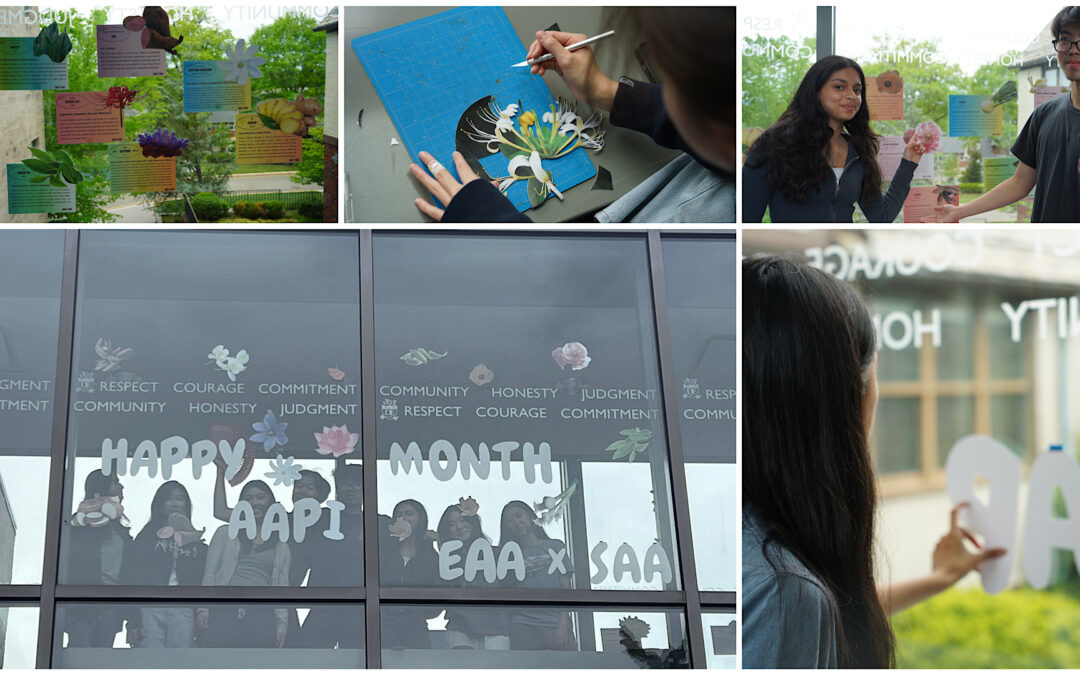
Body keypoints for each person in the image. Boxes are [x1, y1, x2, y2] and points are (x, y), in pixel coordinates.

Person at [740, 256, 1007, 668]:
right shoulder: (781, 589)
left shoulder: (736, 533)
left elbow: (829, 618)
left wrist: (938, 578)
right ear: (851, 399)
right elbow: (795, 613)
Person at [406, 7, 735, 223]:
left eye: (671, 81)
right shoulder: (746, 147)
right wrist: (602, 90)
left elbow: (577, 291)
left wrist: (492, 224)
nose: (661, 89)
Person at [925, 6, 1080, 223]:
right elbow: (1020, 183)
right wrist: (959, 211)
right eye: (1066, 40)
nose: (1074, 49)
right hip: (1046, 247)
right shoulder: (1043, 115)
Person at [742, 55, 925, 223]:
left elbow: (881, 217)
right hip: (791, 256)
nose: (852, 96)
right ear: (816, 92)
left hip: (842, 256)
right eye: (839, 87)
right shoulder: (774, 144)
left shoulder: (858, 151)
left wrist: (908, 164)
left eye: (857, 90)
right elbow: (747, 220)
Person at [198, 480, 291, 648]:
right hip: (224, 608)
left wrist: (282, 622)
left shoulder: (281, 544)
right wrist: (203, 608)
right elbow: (210, 573)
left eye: (260, 497)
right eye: (248, 498)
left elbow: (282, 586)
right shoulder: (225, 533)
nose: (254, 502)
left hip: (261, 613)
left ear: (271, 502)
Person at [124, 481, 208, 648]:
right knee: (151, 660)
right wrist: (132, 621)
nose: (175, 503)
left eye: (180, 499)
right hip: (151, 605)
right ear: (160, 503)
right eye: (169, 499)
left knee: (178, 662)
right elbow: (133, 576)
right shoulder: (147, 536)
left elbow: (202, 578)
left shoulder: (194, 539)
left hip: (183, 607)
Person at [295, 465, 364, 648]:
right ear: (338, 488)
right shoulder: (321, 517)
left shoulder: (377, 522)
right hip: (323, 601)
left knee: (360, 660)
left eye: (357, 484)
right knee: (307, 659)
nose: (350, 489)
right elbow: (289, 520)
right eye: (345, 484)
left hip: (360, 605)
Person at [62, 470, 132, 648]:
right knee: (80, 652)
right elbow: (69, 561)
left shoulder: (120, 528)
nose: (121, 486)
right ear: (101, 488)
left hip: (110, 601)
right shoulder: (79, 524)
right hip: (83, 602)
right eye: (115, 482)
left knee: (101, 658)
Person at [499, 501, 575, 651]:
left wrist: (563, 626)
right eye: (509, 521)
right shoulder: (508, 556)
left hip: (555, 621)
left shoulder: (554, 546)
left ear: (530, 517)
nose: (516, 522)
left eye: (519, 516)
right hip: (522, 623)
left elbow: (567, 591)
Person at [436, 500, 510, 650]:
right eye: (451, 524)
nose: (459, 526)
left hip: (496, 626)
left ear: (472, 521)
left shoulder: (496, 554)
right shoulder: (447, 561)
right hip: (460, 626)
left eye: (462, 519)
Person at [382, 499, 441, 650]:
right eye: (399, 515)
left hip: (416, 623)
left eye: (409, 514)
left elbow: (435, 588)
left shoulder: (430, 555)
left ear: (421, 518)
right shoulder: (384, 549)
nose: (404, 518)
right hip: (384, 621)